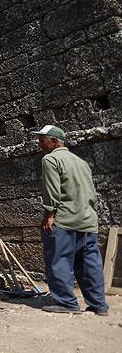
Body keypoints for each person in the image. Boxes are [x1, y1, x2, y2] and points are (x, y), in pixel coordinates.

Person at [32, 125, 109, 315]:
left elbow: (52, 190)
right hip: (88, 221)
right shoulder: (81, 162)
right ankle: (99, 305)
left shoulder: (50, 159)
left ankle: (66, 303)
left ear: (55, 141)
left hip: (64, 221)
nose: (39, 144)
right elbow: (91, 193)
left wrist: (49, 216)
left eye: (42, 140)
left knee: (59, 261)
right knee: (90, 264)